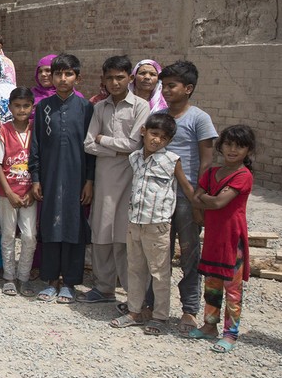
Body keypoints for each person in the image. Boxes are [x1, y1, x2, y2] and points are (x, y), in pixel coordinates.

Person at [145, 60, 218, 334]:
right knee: (158, 253)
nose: (165, 90)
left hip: (188, 198)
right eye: (163, 86)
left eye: (171, 85)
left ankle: (189, 309)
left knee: (189, 254)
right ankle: (152, 305)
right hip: (159, 195)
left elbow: (206, 161)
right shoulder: (160, 117)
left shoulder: (199, 118)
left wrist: (199, 196)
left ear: (188, 88)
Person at [109, 113, 195, 334]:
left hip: (157, 225)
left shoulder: (171, 161)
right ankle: (135, 311)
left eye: (164, 138)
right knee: (135, 269)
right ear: (144, 132)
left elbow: (185, 186)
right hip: (135, 222)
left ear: (169, 141)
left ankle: (160, 316)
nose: (157, 140)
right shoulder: (135, 157)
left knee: (159, 272)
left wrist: (199, 208)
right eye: (154, 134)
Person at [79, 55, 150, 304]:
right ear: (103, 79)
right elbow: (88, 143)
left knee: (123, 234)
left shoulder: (141, 106)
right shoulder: (99, 108)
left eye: (120, 77)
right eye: (109, 77)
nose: (114, 82)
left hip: (130, 178)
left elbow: (134, 144)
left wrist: (104, 140)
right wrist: (115, 148)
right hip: (104, 177)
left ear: (130, 78)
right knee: (101, 231)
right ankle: (104, 286)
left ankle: (133, 294)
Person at [30, 53, 95, 304]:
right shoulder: (44, 107)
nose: (62, 78)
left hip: (77, 178)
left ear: (77, 77)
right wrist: (36, 178)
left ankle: (69, 282)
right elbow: (35, 145)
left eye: (68, 74)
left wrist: (89, 180)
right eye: (58, 73)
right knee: (49, 227)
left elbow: (91, 148)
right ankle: (50, 280)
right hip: (49, 176)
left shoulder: (87, 108)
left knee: (73, 227)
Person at [189, 125, 256, 353]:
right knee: (212, 284)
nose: (233, 150)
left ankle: (231, 333)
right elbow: (198, 200)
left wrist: (203, 199)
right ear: (221, 146)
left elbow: (215, 202)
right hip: (213, 237)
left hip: (232, 239)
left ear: (248, 150)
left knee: (232, 288)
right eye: (228, 144)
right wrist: (205, 199)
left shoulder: (243, 176)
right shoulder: (211, 173)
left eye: (239, 146)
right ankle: (209, 325)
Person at [0, 87, 37, 297]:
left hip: (30, 193)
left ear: (32, 107)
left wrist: (31, 191)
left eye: (26, 105)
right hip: (8, 193)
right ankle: (9, 277)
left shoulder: (35, 130)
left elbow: (41, 163)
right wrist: (8, 192)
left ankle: (24, 278)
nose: (21, 110)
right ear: (10, 107)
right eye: (17, 106)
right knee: (8, 234)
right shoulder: (3, 129)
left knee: (29, 236)